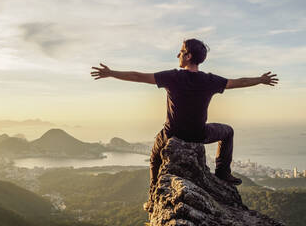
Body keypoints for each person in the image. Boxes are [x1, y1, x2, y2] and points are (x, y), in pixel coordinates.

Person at [90, 38, 278, 188]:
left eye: (180, 52)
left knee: (155, 156)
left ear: (188, 56)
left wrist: (111, 73)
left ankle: (155, 188)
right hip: (198, 134)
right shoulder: (210, 80)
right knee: (228, 132)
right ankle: (222, 172)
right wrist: (260, 80)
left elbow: (137, 76)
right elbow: (240, 82)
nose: (177, 54)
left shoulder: (173, 77)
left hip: (172, 134)